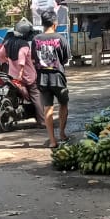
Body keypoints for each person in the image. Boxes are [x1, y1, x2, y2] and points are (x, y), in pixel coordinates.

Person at [32, 10, 71, 148]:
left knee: (47, 108)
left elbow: (33, 59)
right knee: (64, 104)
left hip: (42, 78)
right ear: (55, 24)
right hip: (58, 77)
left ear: (43, 24)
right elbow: (65, 58)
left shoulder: (35, 40)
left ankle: (52, 140)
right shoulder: (61, 39)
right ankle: (61, 133)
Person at [0, 19, 44, 126]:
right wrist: (21, 69)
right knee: (36, 95)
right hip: (27, 77)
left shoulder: (7, 43)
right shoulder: (24, 44)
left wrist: (6, 61)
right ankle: (42, 121)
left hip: (12, 76)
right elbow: (22, 57)